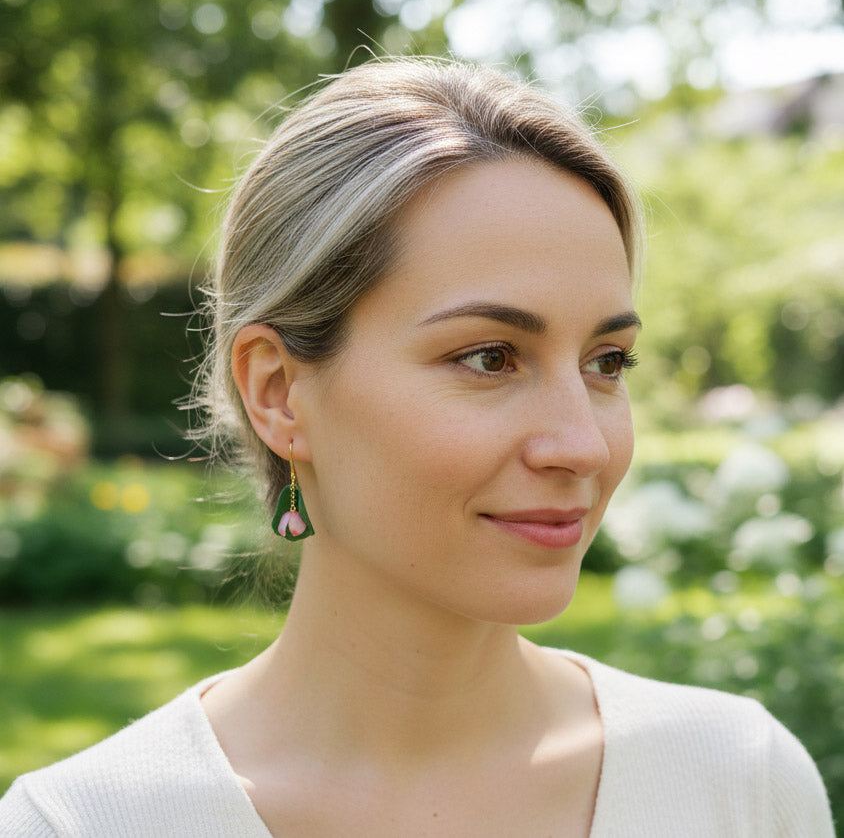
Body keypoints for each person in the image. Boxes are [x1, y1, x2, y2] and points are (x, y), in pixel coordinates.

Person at [0, 57, 834, 837]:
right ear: (278, 392)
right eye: (489, 357)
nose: (582, 444)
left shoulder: (739, 786)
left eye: (607, 363)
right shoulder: (83, 824)